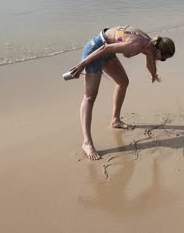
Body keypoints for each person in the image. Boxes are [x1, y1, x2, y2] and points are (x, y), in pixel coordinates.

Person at [69, 26, 175, 160]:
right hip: (95, 51)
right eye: (163, 59)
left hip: (106, 50)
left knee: (123, 81)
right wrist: (82, 64)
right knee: (90, 97)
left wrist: (154, 74)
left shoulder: (150, 45)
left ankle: (115, 120)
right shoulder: (137, 45)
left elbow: (149, 61)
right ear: (158, 51)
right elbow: (105, 48)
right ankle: (87, 143)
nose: (162, 61)